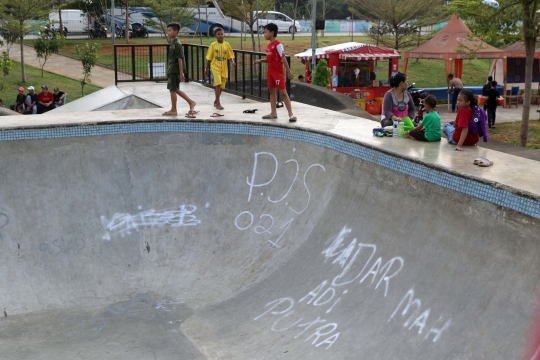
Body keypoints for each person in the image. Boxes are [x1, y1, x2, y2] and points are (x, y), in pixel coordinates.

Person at [252, 23, 296, 122]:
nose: (264, 34)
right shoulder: (269, 45)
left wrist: (288, 71)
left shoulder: (278, 44)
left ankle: (291, 115)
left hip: (277, 72)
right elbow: (270, 59)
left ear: (271, 33)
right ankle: (273, 113)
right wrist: (260, 61)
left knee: (283, 93)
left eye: (265, 32)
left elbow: (283, 58)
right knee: (272, 92)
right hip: (270, 72)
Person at [162, 22, 196, 116]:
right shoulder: (172, 42)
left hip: (175, 70)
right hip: (171, 69)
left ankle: (174, 109)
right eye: (168, 30)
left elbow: (180, 58)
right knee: (173, 89)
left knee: (173, 89)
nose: (168, 32)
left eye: (170, 30)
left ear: (176, 32)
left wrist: (181, 73)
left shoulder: (177, 44)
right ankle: (190, 102)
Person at [204, 27, 236, 110]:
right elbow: (209, 58)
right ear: (215, 36)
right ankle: (218, 103)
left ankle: (216, 100)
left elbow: (230, 55)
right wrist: (206, 69)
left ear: (224, 35)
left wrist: (232, 61)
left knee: (222, 86)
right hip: (215, 66)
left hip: (224, 67)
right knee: (218, 84)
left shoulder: (227, 45)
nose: (220, 35)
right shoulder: (213, 45)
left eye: (222, 34)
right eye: (218, 34)